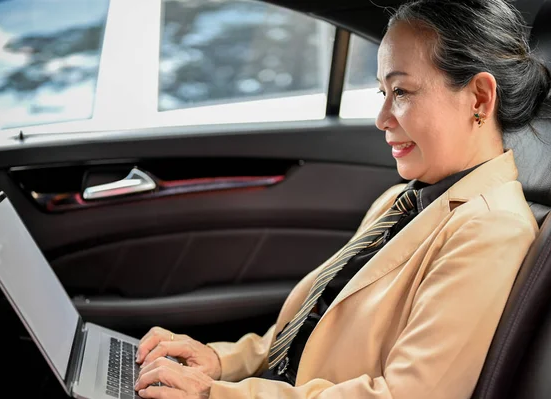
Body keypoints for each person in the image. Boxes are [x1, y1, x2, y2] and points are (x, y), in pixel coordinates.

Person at [133, 0, 551, 397]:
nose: (381, 118)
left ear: (479, 98)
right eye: (381, 93)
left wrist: (216, 395)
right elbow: (313, 328)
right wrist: (221, 362)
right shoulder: (400, 202)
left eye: (401, 92)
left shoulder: (491, 228)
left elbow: (407, 396)